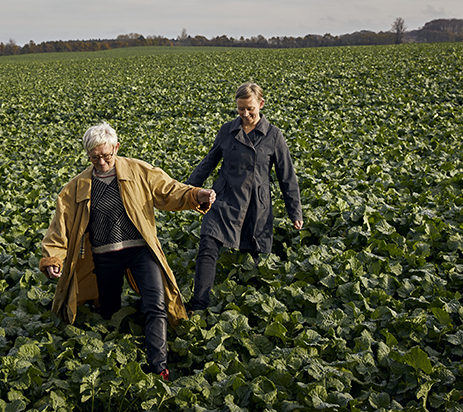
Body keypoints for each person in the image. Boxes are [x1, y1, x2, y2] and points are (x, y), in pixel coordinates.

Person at [39, 122, 215, 381]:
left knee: (155, 305)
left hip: (140, 251)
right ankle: (116, 359)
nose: (101, 161)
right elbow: (60, 227)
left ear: (116, 148)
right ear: (88, 155)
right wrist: (53, 258)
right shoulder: (75, 188)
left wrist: (196, 194)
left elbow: (168, 190)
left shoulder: (138, 171)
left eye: (107, 155)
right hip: (103, 255)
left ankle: (159, 366)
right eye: (95, 157)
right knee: (109, 308)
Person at [185, 82, 304, 311]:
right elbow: (209, 161)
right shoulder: (228, 130)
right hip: (223, 199)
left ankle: (246, 307)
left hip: (255, 206)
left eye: (250, 109)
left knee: (251, 259)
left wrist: (294, 211)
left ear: (261, 104)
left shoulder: (273, 135)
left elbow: (286, 176)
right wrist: (187, 189)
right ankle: (199, 303)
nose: (246, 114)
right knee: (207, 246)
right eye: (241, 109)